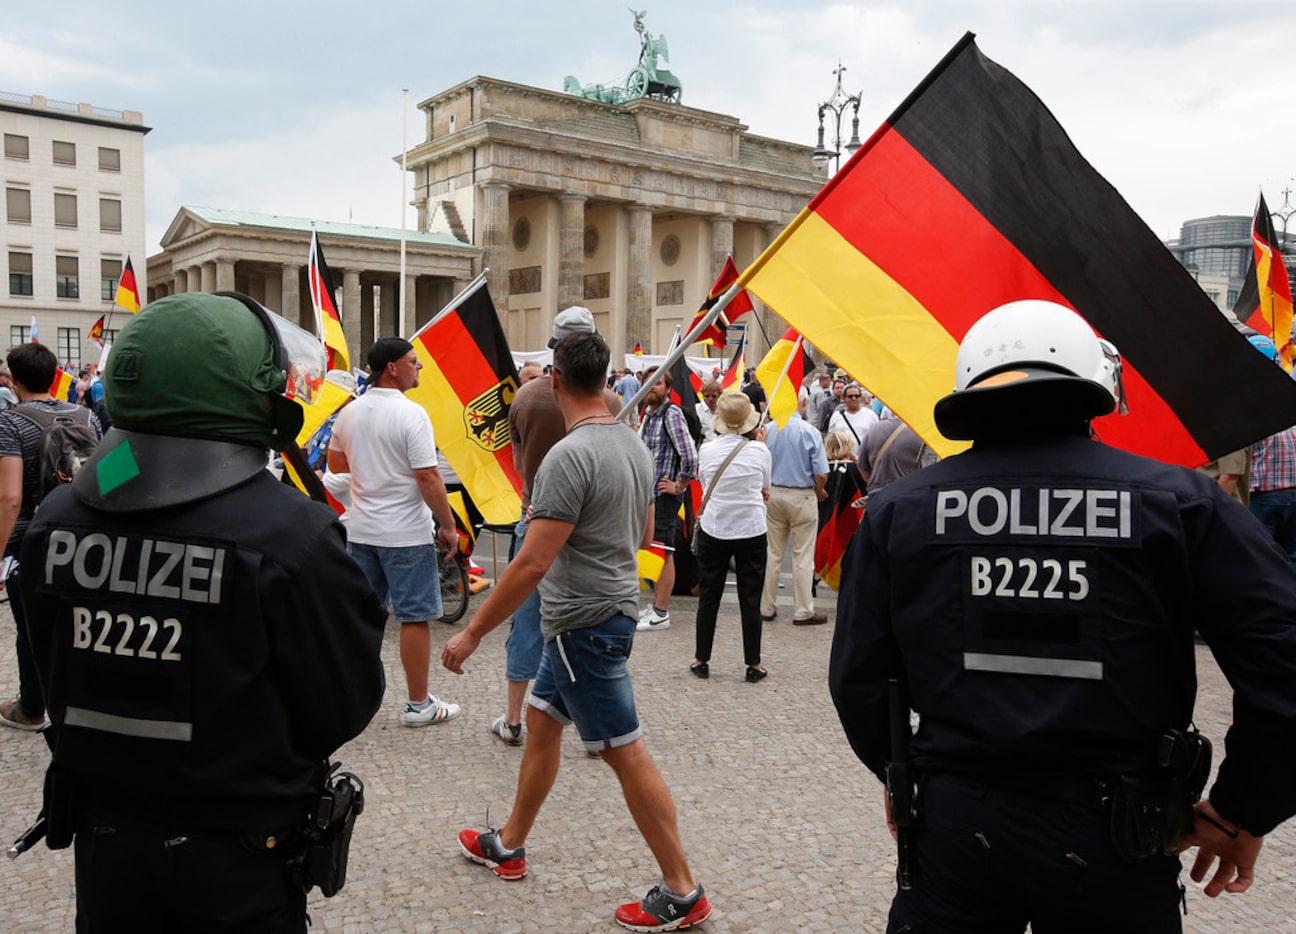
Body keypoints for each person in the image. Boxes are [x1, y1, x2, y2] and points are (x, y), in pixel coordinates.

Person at [830, 300, 1296, 933]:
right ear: (1094, 388)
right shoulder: (1178, 503)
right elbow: (1285, 662)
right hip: (1119, 838)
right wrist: (1240, 811)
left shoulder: (898, 512)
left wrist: (901, 768)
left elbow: (856, 677)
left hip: (958, 828)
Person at [19, 291, 386, 930]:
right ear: (243, 392)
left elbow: (53, 668)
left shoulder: (55, 521)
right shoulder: (291, 536)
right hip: (237, 859)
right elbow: (344, 703)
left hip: (109, 849)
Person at [443, 330, 712, 932]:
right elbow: (643, 536)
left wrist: (471, 633)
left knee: (625, 751)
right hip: (606, 611)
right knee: (541, 725)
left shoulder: (569, 456)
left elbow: (532, 562)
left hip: (581, 626)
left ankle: (683, 888)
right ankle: (509, 844)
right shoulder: (634, 446)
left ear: (555, 380)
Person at [492, 307, 621, 747]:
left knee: (526, 623)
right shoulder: (615, 404)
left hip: (536, 515)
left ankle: (512, 717)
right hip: (591, 530)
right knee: (588, 625)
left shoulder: (525, 397)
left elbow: (516, 461)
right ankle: (594, 723)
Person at [328, 336, 463, 726]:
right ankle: (419, 703)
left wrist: (371, 471)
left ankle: (349, 696)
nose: (418, 367)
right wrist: (449, 526)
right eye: (413, 361)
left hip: (362, 529)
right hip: (404, 532)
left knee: (363, 618)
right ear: (392, 367)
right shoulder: (412, 414)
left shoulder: (350, 412)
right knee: (414, 618)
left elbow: (337, 464)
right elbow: (427, 476)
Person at [0, 342, 103, 731]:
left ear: (14, 379)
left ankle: (31, 708)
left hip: (31, 538)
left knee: (30, 626)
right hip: (82, 532)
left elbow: (9, 499)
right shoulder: (86, 415)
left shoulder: (10, 422)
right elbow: (116, 471)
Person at [691, 392, 771, 682]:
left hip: (716, 525)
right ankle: (753, 663)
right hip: (750, 526)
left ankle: (701, 659)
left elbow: (705, 481)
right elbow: (765, 486)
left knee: (709, 596)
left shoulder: (708, 450)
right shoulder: (760, 450)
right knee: (750, 598)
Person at [636, 365, 698, 632]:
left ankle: (661, 612)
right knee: (656, 549)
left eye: (658, 382)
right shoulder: (649, 414)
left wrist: (679, 485)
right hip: (648, 494)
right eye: (648, 381)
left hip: (663, 495)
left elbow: (690, 455)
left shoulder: (671, 415)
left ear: (668, 388)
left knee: (664, 552)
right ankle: (656, 606)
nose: (652, 386)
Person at [760, 392, 829, 625]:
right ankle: (803, 610)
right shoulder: (809, 432)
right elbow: (821, 472)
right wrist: (819, 489)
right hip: (802, 495)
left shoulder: (766, 430)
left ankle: (767, 606)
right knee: (803, 556)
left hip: (773, 493)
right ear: (804, 404)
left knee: (772, 553)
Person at [826, 382, 877, 452]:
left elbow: (876, 439)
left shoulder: (871, 415)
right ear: (844, 398)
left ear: (860, 397)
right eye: (850, 396)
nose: (854, 398)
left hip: (864, 459)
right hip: (843, 459)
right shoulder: (836, 416)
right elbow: (831, 439)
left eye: (857, 396)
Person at [695, 379, 722, 443]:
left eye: (714, 396)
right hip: (704, 446)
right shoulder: (697, 409)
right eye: (707, 396)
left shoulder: (723, 409)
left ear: (719, 395)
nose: (710, 399)